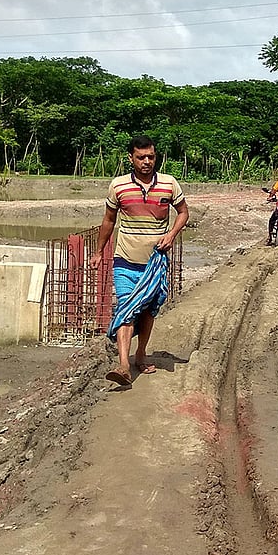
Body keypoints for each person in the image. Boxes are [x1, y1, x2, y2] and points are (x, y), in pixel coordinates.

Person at [89, 136, 189, 385]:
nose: (146, 162)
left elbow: (184, 212)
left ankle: (141, 353)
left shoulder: (169, 184)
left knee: (147, 312)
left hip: (155, 263)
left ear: (156, 157)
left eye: (151, 157)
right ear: (131, 158)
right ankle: (123, 365)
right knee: (126, 309)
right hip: (125, 260)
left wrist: (171, 234)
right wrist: (99, 251)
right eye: (141, 157)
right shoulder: (119, 186)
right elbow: (109, 220)